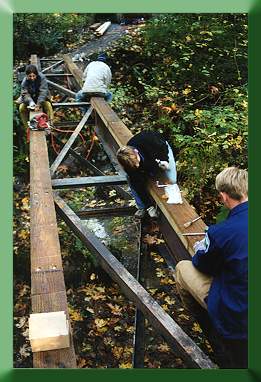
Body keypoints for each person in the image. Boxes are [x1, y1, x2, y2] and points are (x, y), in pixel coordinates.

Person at [175, 167, 248, 368]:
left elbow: (202, 264)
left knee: (183, 268)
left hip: (238, 318)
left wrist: (204, 246)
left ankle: (208, 328)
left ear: (223, 196)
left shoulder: (221, 232)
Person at [117, 130, 177, 218]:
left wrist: (165, 161)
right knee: (131, 179)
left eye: (136, 162)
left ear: (136, 152)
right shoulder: (128, 164)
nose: (137, 166)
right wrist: (149, 206)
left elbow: (163, 148)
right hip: (148, 161)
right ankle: (142, 207)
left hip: (161, 150)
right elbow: (137, 185)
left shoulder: (151, 142)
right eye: (134, 166)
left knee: (172, 180)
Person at [17, 64, 54, 129]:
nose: (32, 78)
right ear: (27, 75)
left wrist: (39, 104)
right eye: (30, 76)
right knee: (21, 108)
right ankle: (27, 128)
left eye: (34, 76)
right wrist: (31, 102)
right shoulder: (24, 82)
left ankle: (50, 125)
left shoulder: (42, 78)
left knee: (48, 106)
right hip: (31, 99)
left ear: (36, 74)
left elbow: (43, 92)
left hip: (41, 99)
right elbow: (24, 94)